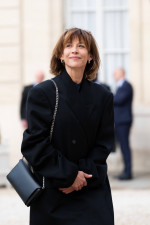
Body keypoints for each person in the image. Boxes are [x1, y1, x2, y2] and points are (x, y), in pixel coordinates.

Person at [21, 28, 115, 225]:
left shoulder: (103, 96)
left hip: (91, 189)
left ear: (90, 56)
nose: (75, 50)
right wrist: (70, 175)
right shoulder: (42, 93)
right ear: (61, 55)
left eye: (81, 46)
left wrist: (81, 178)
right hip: (54, 192)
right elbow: (34, 144)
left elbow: (104, 144)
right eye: (69, 46)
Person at [113, 68, 133, 180]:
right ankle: (125, 171)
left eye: (115, 73)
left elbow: (119, 100)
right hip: (120, 121)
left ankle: (128, 172)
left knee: (125, 146)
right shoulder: (120, 86)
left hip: (123, 121)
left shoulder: (126, 86)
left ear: (122, 73)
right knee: (122, 146)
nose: (114, 75)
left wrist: (106, 96)